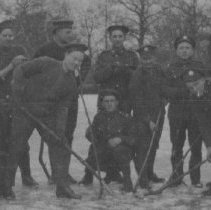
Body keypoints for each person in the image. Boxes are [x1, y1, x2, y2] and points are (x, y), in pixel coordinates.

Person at [3, 43, 87, 200]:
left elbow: (63, 109)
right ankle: (6, 188)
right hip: (24, 111)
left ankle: (62, 188)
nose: (76, 63)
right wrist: (19, 92)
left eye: (80, 61)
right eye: (74, 58)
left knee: (60, 146)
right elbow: (20, 71)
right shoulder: (46, 62)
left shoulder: (71, 83)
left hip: (45, 115)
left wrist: (60, 132)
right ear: (66, 55)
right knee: (16, 147)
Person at [33, 19, 91, 184]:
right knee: (55, 136)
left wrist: (78, 83)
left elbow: (86, 65)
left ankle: (63, 173)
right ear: (56, 33)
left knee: (68, 135)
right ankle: (57, 175)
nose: (71, 34)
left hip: (70, 100)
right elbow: (34, 73)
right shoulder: (43, 51)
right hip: (50, 103)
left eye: (71, 30)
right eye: (67, 31)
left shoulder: (76, 50)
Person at [0, 19, 37, 196]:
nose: (8, 38)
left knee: (21, 139)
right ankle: (5, 182)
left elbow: (29, 72)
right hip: (1, 102)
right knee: (5, 142)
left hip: (18, 100)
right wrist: (11, 65)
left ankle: (27, 175)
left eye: (11, 35)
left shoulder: (20, 50)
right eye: (5, 35)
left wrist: (24, 64)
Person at [163, 35, 204, 188]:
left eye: (187, 48)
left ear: (192, 50)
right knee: (177, 146)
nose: (184, 51)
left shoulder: (201, 66)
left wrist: (200, 89)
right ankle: (176, 177)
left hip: (196, 113)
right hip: (177, 113)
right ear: (176, 51)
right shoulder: (169, 67)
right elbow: (164, 89)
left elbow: (207, 87)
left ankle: (195, 178)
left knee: (196, 147)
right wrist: (184, 90)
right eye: (181, 48)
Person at [80, 89, 137, 192]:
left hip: (121, 153)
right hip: (105, 151)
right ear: (102, 103)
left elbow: (134, 137)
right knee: (93, 149)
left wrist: (120, 139)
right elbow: (92, 132)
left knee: (119, 150)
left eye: (112, 101)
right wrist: (90, 134)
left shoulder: (125, 118)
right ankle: (88, 176)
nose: (109, 104)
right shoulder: (99, 117)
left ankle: (127, 182)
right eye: (106, 101)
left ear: (117, 103)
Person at [129, 45, 165, 189]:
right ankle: (143, 178)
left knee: (153, 145)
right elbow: (136, 99)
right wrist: (147, 120)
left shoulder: (159, 71)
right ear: (140, 60)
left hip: (159, 114)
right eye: (144, 59)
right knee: (143, 147)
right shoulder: (137, 74)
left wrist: (165, 98)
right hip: (142, 116)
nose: (147, 61)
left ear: (154, 58)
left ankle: (150, 173)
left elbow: (165, 88)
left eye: (150, 58)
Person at [94, 25, 139, 114]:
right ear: (110, 38)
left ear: (124, 38)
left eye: (120, 36)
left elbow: (137, 78)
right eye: (114, 36)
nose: (117, 39)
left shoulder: (132, 56)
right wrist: (110, 69)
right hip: (107, 101)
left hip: (125, 100)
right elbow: (97, 77)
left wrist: (125, 70)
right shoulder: (103, 56)